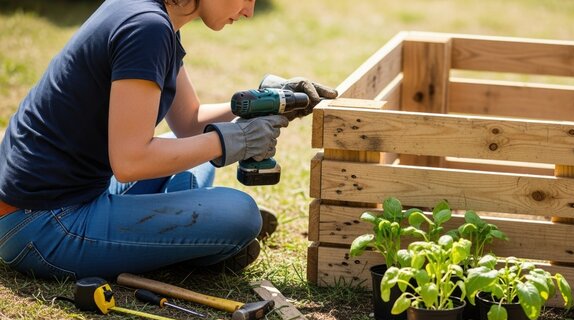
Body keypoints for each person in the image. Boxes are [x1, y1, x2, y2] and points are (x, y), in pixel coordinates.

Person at [0, 0, 338, 280]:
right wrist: (235, 139)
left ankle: (196, 234)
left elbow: (189, 122)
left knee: (199, 159)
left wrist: (271, 101)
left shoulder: (154, 17)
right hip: (43, 223)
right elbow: (131, 161)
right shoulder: (148, 29)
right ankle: (204, 236)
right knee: (242, 215)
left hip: (68, 198)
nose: (249, 10)